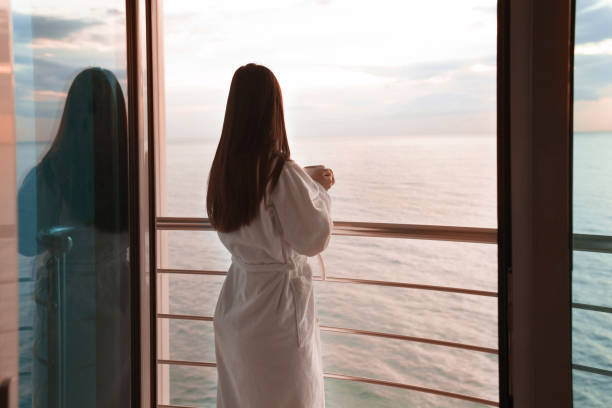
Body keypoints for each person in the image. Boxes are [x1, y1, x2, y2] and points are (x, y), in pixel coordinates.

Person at [207, 63, 335, 408]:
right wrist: (318, 191)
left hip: (237, 306)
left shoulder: (225, 170)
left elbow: (261, 205)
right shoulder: (279, 170)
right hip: (276, 319)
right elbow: (313, 237)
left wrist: (301, 179)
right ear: (273, 109)